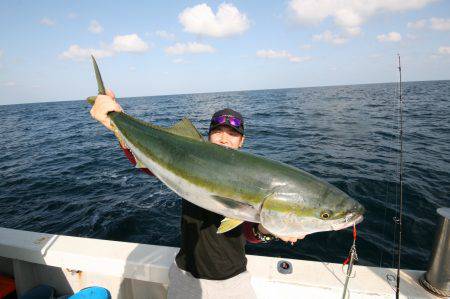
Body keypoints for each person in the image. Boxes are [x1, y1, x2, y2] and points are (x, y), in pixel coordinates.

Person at [90, 91, 304, 299]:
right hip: (186, 276)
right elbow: (148, 162)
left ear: (242, 141)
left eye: (232, 134)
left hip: (233, 280)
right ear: (208, 136)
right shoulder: (190, 162)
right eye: (218, 131)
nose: (224, 139)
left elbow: (250, 232)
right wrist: (115, 121)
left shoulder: (254, 179)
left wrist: (271, 227)